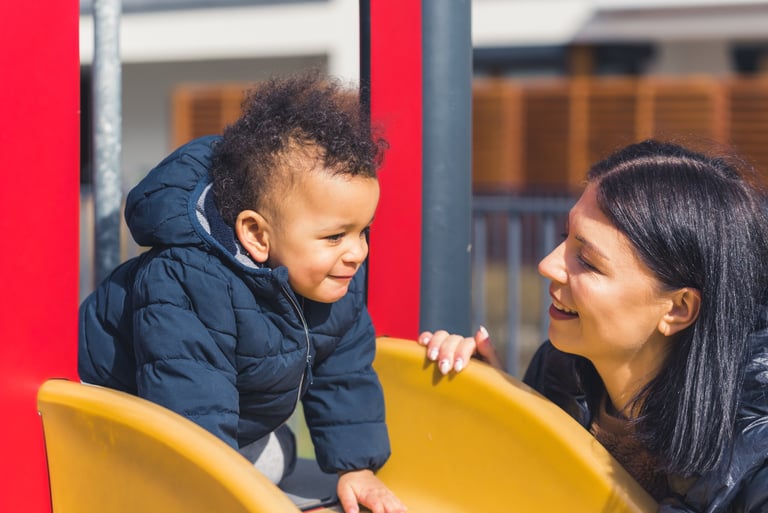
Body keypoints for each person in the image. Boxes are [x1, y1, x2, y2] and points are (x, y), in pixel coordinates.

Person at [79, 71, 406, 513]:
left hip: (214, 423)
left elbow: (343, 373)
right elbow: (189, 401)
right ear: (256, 234)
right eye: (335, 236)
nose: (356, 252)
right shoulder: (188, 281)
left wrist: (357, 467)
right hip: (111, 424)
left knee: (277, 456)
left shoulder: (332, 282)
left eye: (363, 231)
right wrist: (219, 489)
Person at [419, 140, 768, 512]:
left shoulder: (756, 454)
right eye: (563, 238)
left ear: (678, 309)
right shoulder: (560, 374)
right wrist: (498, 410)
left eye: (587, 261)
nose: (547, 265)